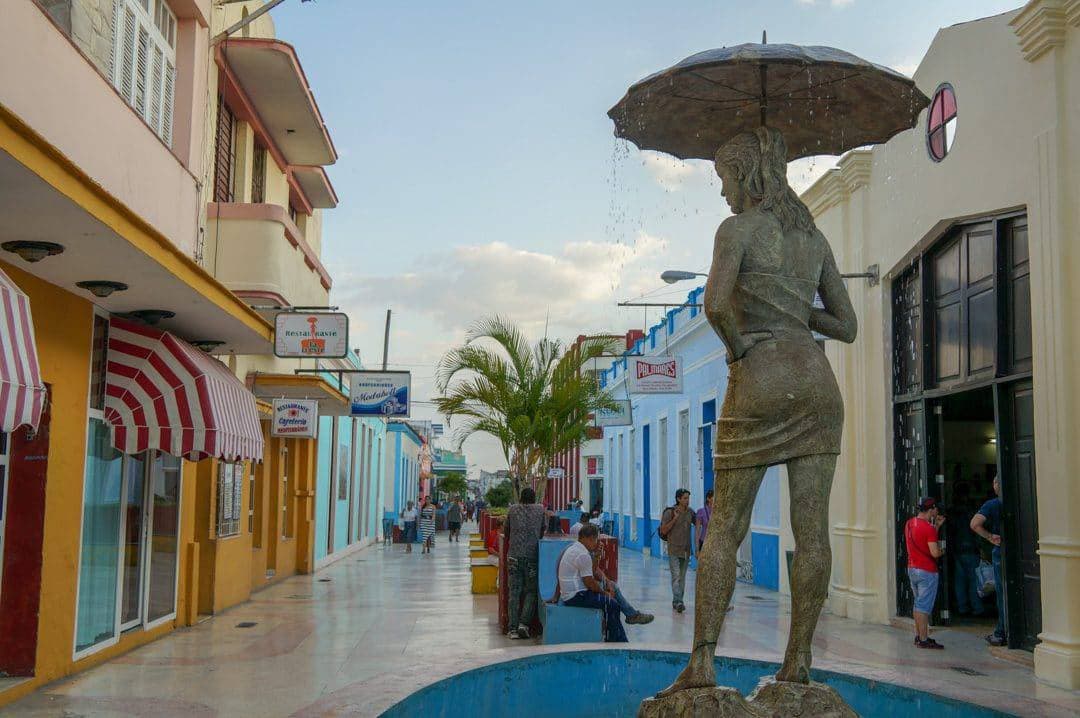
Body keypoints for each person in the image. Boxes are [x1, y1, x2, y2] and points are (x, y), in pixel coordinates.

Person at [659, 127, 858, 697]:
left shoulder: (736, 230)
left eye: (724, 178)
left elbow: (716, 304)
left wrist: (743, 343)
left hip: (761, 379)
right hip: (818, 386)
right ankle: (798, 665)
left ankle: (702, 664)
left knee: (725, 528)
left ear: (748, 175)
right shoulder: (813, 239)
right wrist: (796, 310)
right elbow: (845, 325)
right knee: (812, 529)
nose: (722, 192)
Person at [556, 524, 637, 642]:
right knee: (612, 604)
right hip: (576, 596)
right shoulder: (582, 554)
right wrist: (604, 593)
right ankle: (616, 640)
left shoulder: (575, 548)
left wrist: (597, 556)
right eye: (596, 540)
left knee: (611, 595)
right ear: (589, 539)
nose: (597, 543)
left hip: (572, 593)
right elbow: (589, 582)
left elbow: (591, 572)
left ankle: (620, 635)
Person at [505, 487, 546, 639]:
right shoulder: (540, 510)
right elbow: (543, 530)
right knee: (531, 591)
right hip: (532, 557)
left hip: (514, 555)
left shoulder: (513, 509)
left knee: (514, 593)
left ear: (521, 498)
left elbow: (507, 530)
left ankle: (513, 629)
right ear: (534, 498)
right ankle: (524, 624)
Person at [905, 497, 946, 649]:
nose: (937, 512)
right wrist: (942, 551)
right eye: (936, 510)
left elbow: (921, 539)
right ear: (931, 510)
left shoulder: (910, 523)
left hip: (912, 568)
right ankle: (923, 639)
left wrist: (936, 527)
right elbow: (934, 553)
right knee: (923, 607)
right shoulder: (928, 529)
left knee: (918, 604)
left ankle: (919, 636)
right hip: (927, 571)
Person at [971, 476, 1006, 646]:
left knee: (1002, 591)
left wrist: (990, 537)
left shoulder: (993, 504)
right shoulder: (1019, 499)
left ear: (996, 485)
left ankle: (1001, 632)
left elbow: (975, 523)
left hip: (1001, 551)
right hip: (1024, 553)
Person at [950, 481, 985, 617]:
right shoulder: (971, 510)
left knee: (960, 581)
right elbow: (976, 529)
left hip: (957, 549)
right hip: (971, 548)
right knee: (974, 580)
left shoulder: (952, 510)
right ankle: (977, 608)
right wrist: (980, 547)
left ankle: (962, 607)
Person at [660, 489, 694, 613]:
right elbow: (663, 530)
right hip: (674, 549)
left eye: (688, 498)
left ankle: (677, 601)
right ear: (678, 499)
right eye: (685, 498)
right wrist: (675, 518)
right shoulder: (669, 512)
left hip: (686, 550)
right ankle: (679, 601)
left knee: (682, 578)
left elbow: (699, 522)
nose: (687, 500)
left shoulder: (690, 512)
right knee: (676, 576)